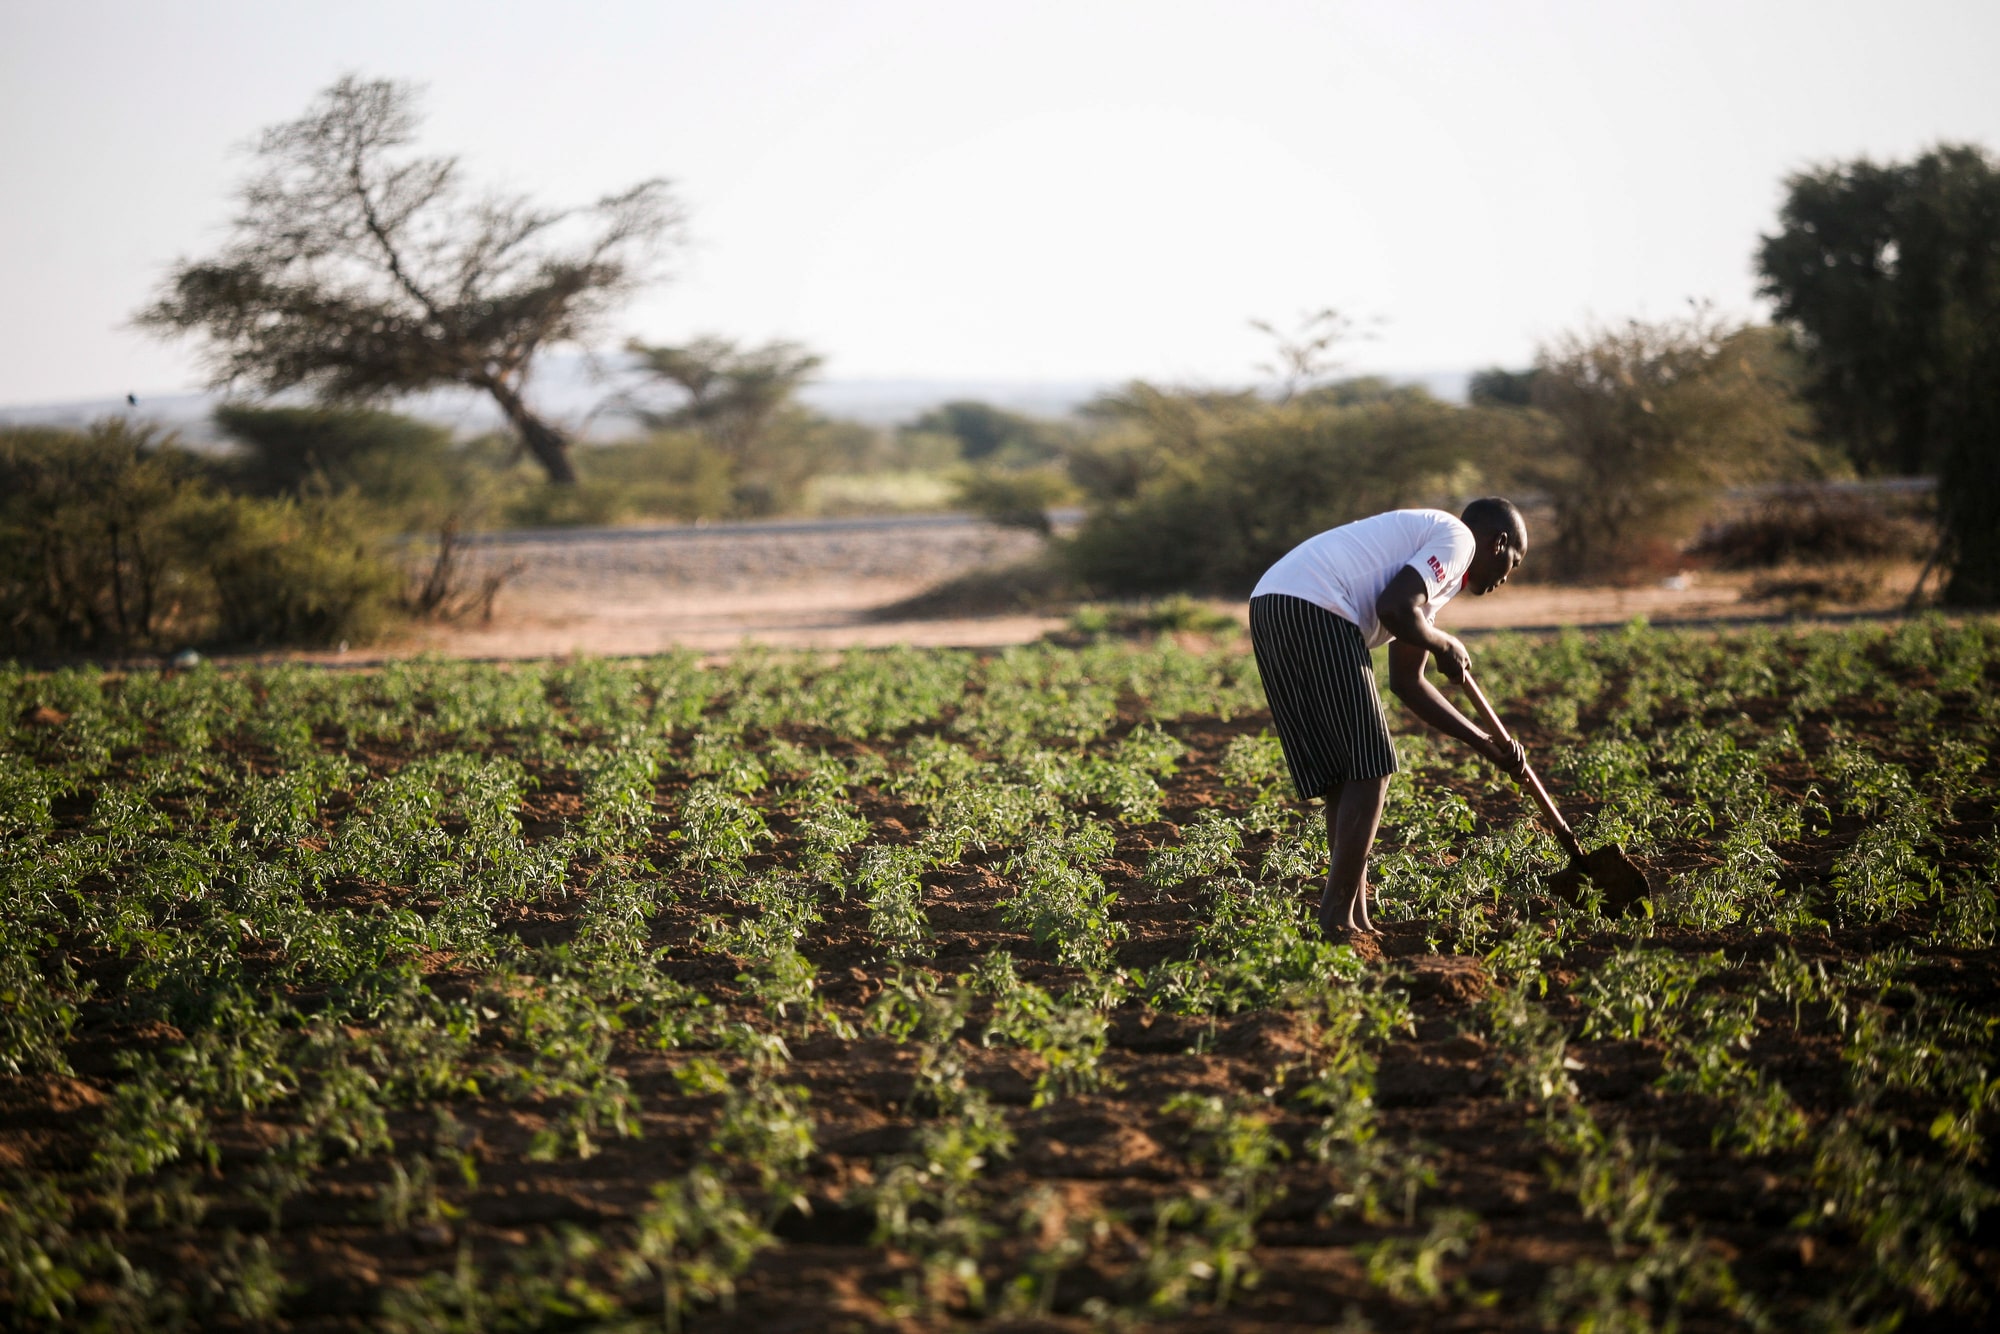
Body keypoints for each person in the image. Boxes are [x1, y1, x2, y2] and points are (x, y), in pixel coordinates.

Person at [1248, 498, 1530, 938]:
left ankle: (1354, 919)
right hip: (1314, 602)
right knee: (1373, 767)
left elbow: (1408, 682)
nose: (1508, 576)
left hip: (1273, 605)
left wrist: (1487, 745)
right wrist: (1442, 642)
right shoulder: (1458, 540)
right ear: (1498, 543)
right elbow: (1395, 609)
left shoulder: (1436, 573)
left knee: (1348, 775)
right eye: (1513, 562)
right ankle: (1335, 918)